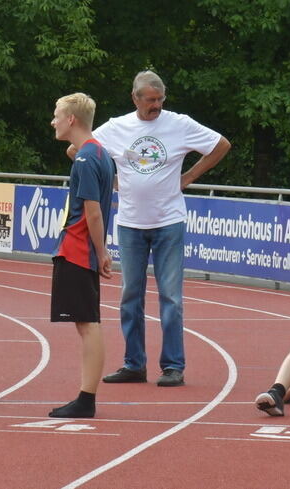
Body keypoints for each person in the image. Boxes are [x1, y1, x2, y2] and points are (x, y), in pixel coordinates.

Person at [72, 70, 231, 387]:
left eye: (160, 99)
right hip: (130, 224)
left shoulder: (179, 124)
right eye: (150, 100)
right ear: (135, 98)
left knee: (171, 298)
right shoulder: (117, 127)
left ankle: (173, 366)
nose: (156, 105)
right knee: (130, 296)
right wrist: (109, 182)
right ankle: (134, 364)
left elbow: (221, 144)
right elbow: (78, 149)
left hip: (169, 222)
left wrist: (187, 178)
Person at [48, 93, 115, 418]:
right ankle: (86, 397)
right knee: (87, 322)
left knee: (88, 324)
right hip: (83, 250)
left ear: (71, 119)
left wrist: (102, 253)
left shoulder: (87, 160)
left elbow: (93, 213)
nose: (53, 121)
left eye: (57, 115)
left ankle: (86, 399)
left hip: (77, 249)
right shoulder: (98, 154)